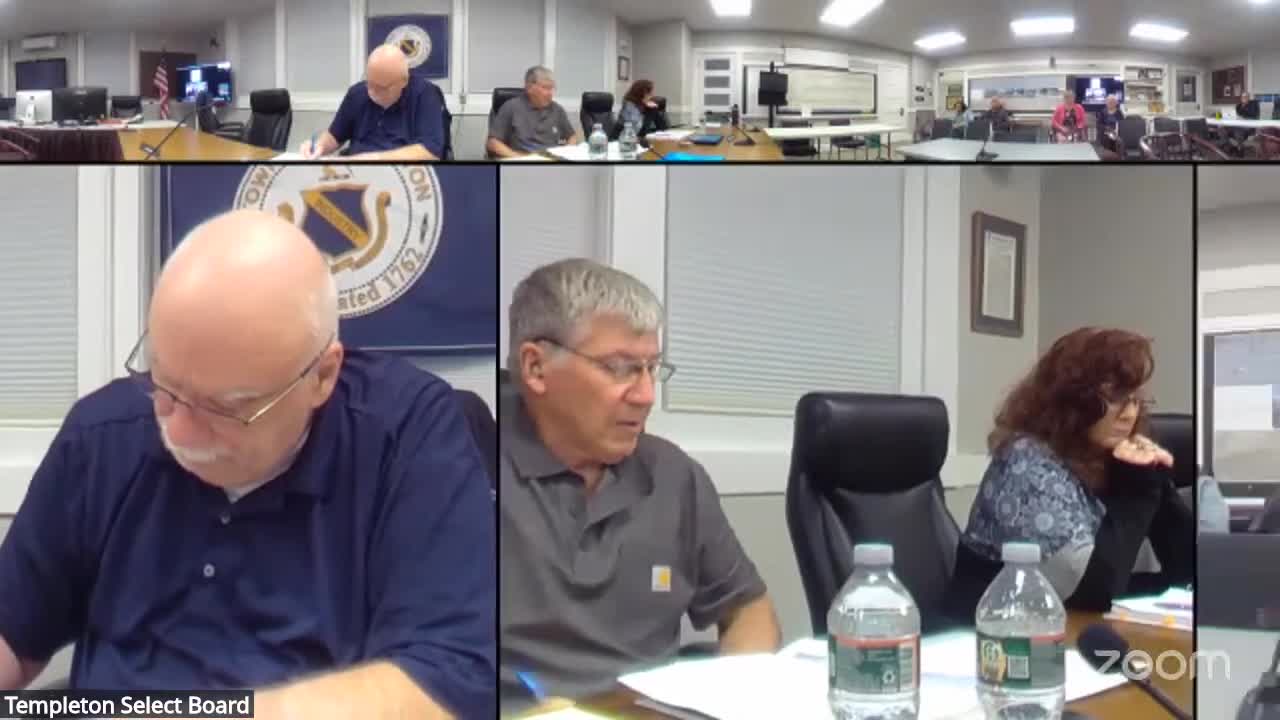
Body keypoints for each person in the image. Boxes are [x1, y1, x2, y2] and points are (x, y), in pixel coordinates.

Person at [0, 210, 495, 718]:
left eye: (226, 407)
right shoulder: (104, 434)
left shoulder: (408, 437)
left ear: (322, 377)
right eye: (164, 386)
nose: (179, 432)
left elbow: (449, 681)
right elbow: (13, 630)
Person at [500, 259, 780, 711]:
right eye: (620, 368)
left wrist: (737, 698)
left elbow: (748, 610)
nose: (647, 395)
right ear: (536, 367)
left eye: (652, 368)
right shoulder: (466, 464)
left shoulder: (674, 475)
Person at [946, 328, 1193, 621]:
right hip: (995, 633)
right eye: (1114, 397)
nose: (1129, 414)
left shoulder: (1106, 455)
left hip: (1068, 623)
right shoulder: (1026, 460)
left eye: (1135, 399)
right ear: (1073, 399)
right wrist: (1140, 492)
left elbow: (1190, 569)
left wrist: (1156, 478)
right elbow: (1092, 589)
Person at [300, 45, 444, 160]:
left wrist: (375, 158)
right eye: (369, 82)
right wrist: (320, 146)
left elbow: (430, 151)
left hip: (401, 174)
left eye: (381, 88)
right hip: (356, 172)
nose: (372, 91)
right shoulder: (357, 93)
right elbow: (335, 136)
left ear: (404, 82)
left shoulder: (425, 95)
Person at [487, 66, 580, 158]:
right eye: (545, 88)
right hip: (522, 159)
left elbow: (572, 137)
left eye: (552, 88)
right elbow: (493, 143)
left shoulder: (557, 110)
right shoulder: (511, 107)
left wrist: (566, 153)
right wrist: (520, 158)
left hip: (550, 160)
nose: (550, 93)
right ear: (529, 88)